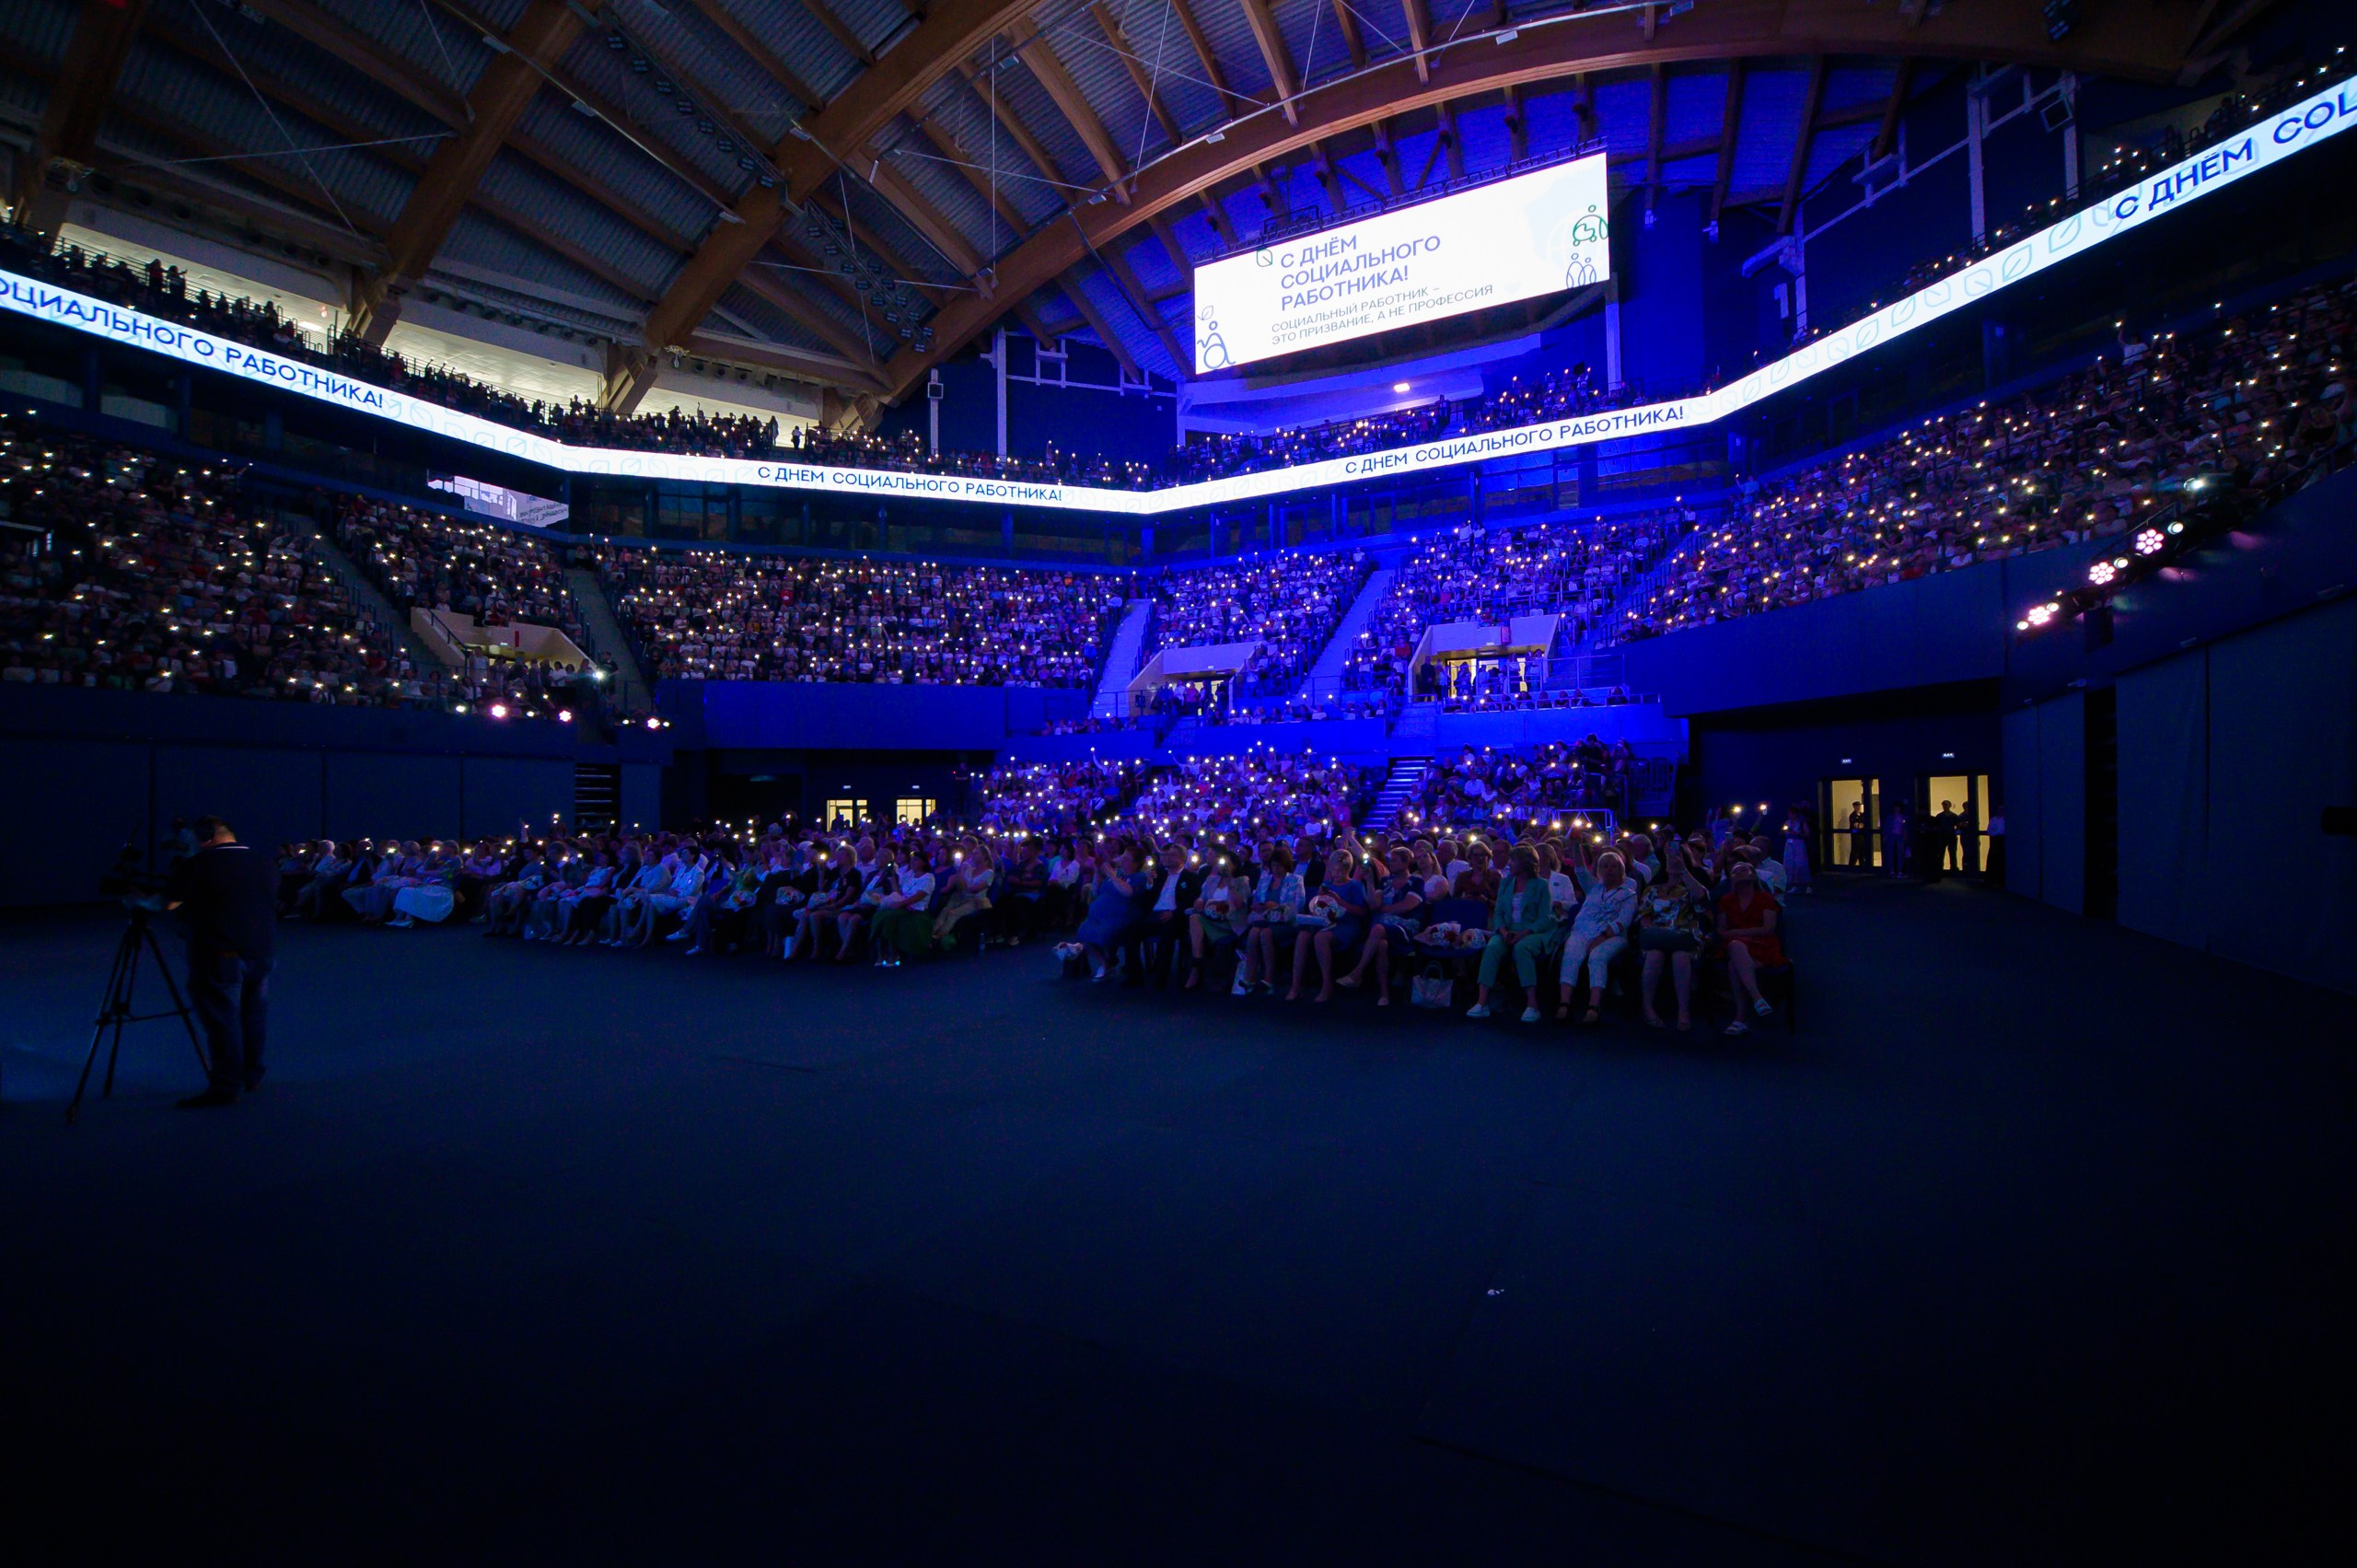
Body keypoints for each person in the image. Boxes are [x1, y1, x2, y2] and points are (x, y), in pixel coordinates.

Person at [165, 816, 279, 1108]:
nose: (187, 845)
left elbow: (169, 902)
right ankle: (251, 1075)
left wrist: (138, 899)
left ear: (205, 836)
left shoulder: (201, 863)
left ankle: (225, 1086)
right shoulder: (263, 861)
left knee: (222, 1019)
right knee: (253, 1016)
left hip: (220, 954)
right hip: (262, 951)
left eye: (190, 839)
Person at [1467, 844, 1556, 1023]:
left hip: (1533, 930)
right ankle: (1482, 1002)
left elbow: (1545, 917)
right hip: (1507, 929)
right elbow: (1499, 912)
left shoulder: (1541, 885)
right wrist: (1503, 930)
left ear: (1525, 863)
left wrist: (1524, 933)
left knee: (1522, 948)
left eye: (1513, 860)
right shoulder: (1506, 883)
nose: (1509, 863)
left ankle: (1532, 1005)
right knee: (1492, 947)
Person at [1633, 846, 1710, 1030]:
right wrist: (1654, 931)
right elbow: (1644, 916)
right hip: (1657, 935)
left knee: (1680, 956)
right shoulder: (1652, 889)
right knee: (1654, 955)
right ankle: (1648, 1007)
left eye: (1677, 857)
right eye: (1670, 858)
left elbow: (1701, 899)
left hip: (1685, 935)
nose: (1673, 861)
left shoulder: (1690, 888)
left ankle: (1683, 1011)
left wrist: (1683, 872)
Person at [1557, 848, 1637, 1025]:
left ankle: (1594, 1005)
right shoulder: (1594, 887)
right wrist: (1576, 845)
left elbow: (1623, 921)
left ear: (1621, 869)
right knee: (1571, 955)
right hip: (1583, 931)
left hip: (1613, 936)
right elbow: (1580, 870)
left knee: (1597, 956)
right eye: (1605, 866)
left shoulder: (1629, 894)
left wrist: (1601, 937)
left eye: (1613, 866)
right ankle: (1565, 1003)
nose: (1609, 870)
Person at [1716, 861, 1784, 1035]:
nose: (1738, 873)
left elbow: (1768, 929)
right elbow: (1722, 931)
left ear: (1753, 875)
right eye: (1735, 871)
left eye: (1743, 870)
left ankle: (1741, 1017)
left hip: (1762, 945)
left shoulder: (1765, 898)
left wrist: (1739, 932)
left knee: (1734, 963)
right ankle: (1757, 999)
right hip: (1736, 945)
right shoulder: (1727, 900)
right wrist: (1738, 935)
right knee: (1735, 947)